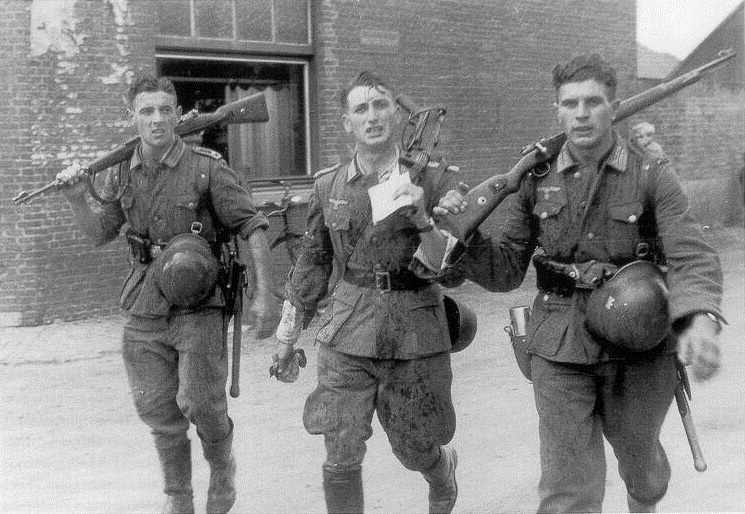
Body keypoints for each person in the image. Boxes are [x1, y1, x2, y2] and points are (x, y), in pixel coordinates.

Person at [436, 54, 725, 512]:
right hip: (560, 342)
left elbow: (691, 254)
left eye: (594, 101)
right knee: (567, 487)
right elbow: (507, 269)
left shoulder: (652, 175)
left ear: (615, 107)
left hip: (641, 341)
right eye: (570, 103)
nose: (582, 112)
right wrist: (460, 235)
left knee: (640, 463)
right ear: (557, 110)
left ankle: (643, 496)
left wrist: (701, 319)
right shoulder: (535, 179)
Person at [56, 75, 274, 513]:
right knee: (157, 408)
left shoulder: (207, 167)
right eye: (146, 111)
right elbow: (100, 233)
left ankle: (222, 464)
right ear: (132, 117)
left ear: (178, 115)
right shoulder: (121, 170)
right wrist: (79, 198)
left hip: (200, 302)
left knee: (200, 403)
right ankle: (178, 496)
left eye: (164, 110)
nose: (156, 119)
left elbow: (254, 227)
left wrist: (266, 297)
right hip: (144, 302)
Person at [270, 71, 463, 514]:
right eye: (361, 109)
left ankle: (441, 469)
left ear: (396, 113)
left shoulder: (435, 181)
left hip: (415, 331)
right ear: (346, 122)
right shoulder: (329, 185)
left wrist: (421, 215)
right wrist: (285, 338)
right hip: (346, 330)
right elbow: (313, 263)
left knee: (414, 447)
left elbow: (450, 269)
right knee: (340, 450)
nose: (372, 116)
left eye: (381, 106)